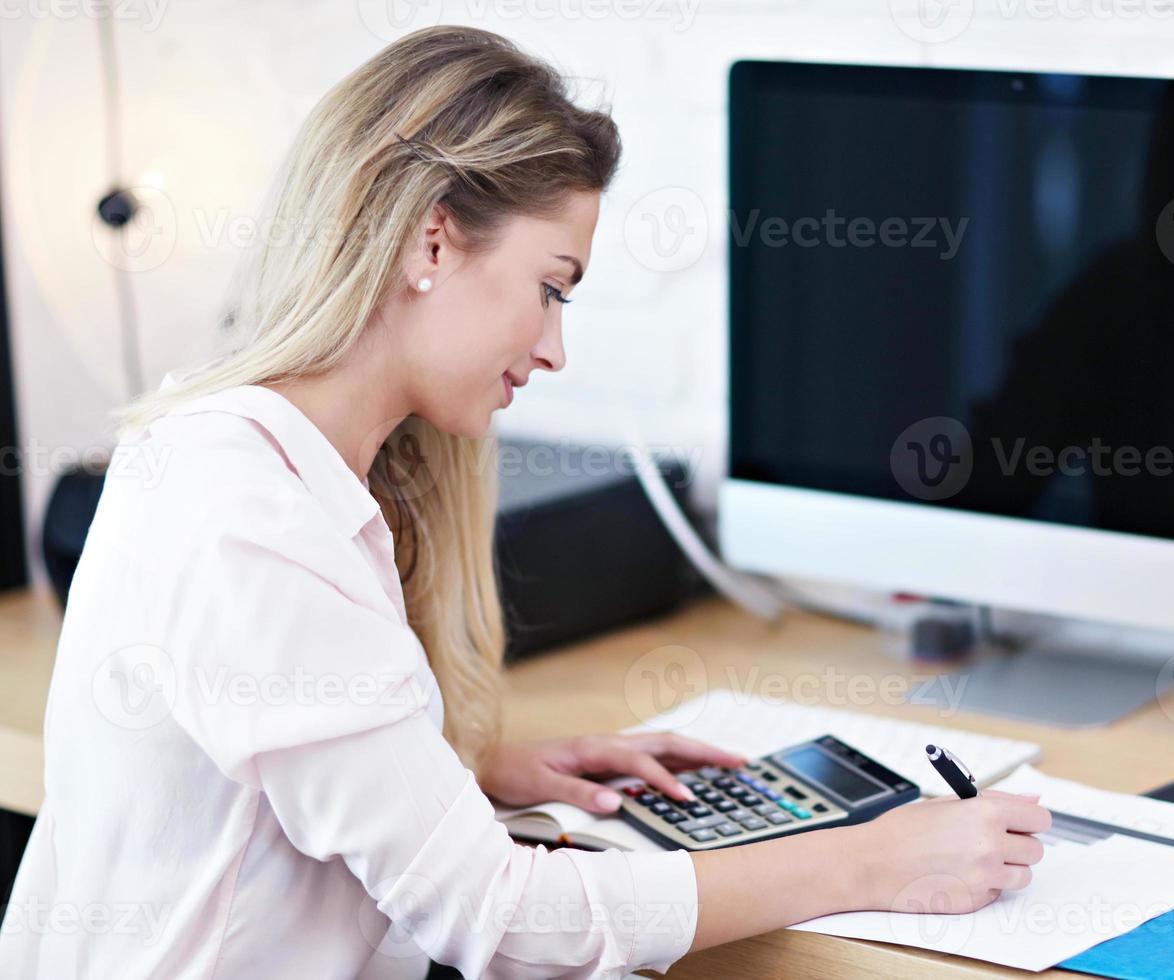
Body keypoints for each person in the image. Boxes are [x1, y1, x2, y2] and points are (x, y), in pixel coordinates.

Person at [0, 27, 1049, 979]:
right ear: (431, 241)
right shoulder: (253, 520)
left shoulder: (255, 460)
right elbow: (496, 921)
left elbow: (264, 772)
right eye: (552, 286)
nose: (553, 348)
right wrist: (868, 859)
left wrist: (455, 771)